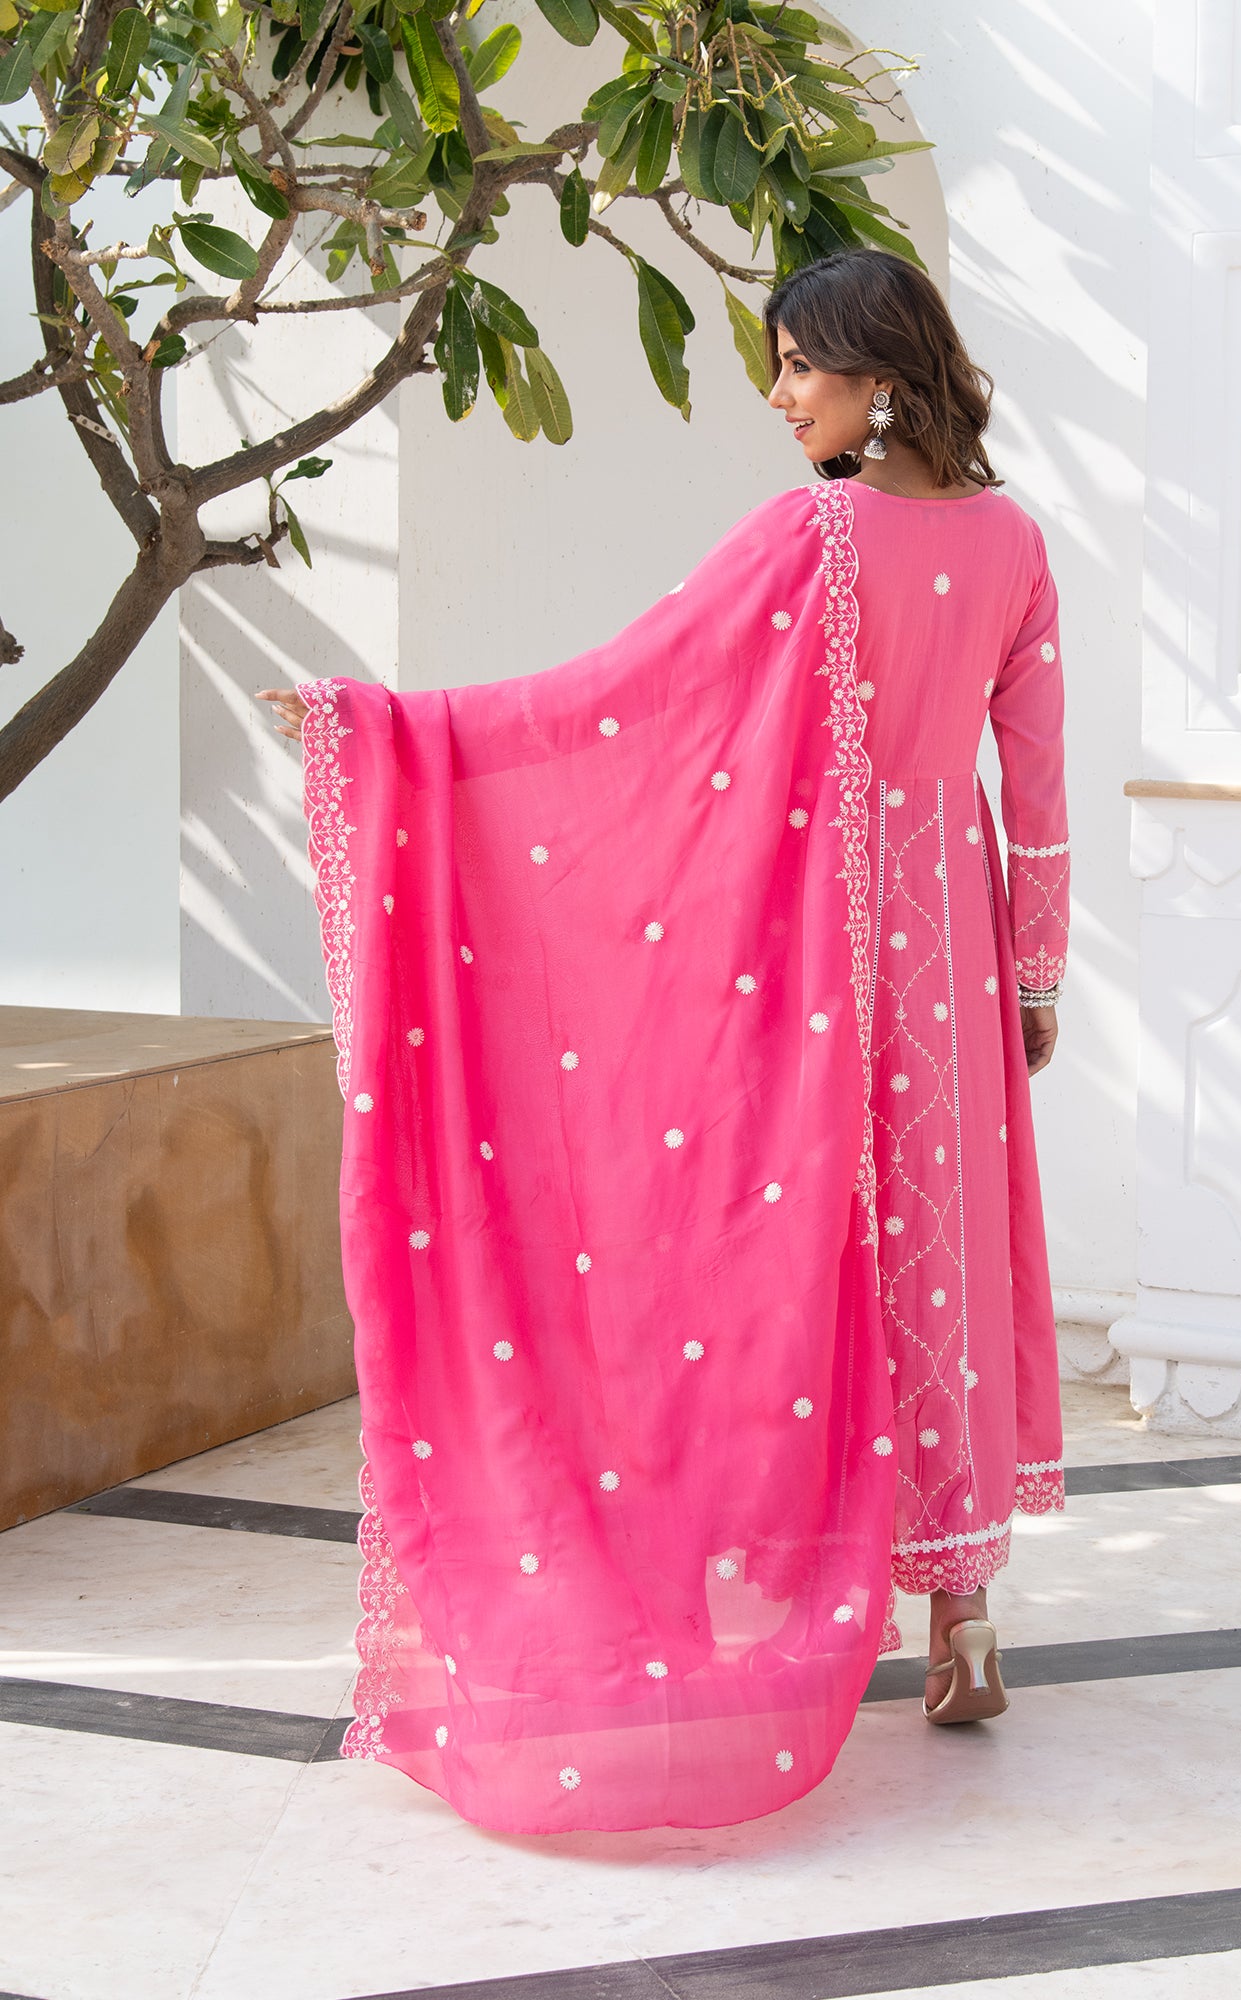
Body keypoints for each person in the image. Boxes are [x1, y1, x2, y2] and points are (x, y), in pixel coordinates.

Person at [258, 248, 1068, 1835]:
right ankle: (962, 1619)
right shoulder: (1016, 540)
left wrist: (390, 734)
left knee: (792, 1245)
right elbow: (1029, 778)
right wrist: (1032, 974)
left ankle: (760, 1572)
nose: (779, 395)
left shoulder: (818, 537)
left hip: (818, 943)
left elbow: (624, 696)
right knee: (941, 1259)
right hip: (955, 944)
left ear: (879, 376)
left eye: (800, 366)